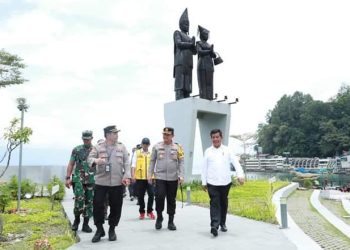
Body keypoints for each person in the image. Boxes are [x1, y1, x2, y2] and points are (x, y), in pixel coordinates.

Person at [88, 125, 130, 243]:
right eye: (114, 133)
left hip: (117, 182)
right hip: (101, 182)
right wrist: (96, 161)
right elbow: (89, 159)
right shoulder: (98, 147)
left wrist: (127, 176)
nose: (117, 135)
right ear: (107, 135)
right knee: (97, 206)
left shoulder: (122, 147)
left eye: (117, 133)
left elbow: (127, 163)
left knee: (116, 206)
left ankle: (112, 229)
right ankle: (99, 229)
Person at [201, 128, 245, 237]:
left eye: (217, 137)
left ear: (221, 137)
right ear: (211, 138)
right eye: (213, 137)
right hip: (212, 183)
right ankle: (214, 226)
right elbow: (204, 168)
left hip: (225, 182)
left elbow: (236, 163)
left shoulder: (227, 150)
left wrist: (240, 175)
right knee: (214, 203)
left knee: (223, 203)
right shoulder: (208, 151)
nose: (215, 139)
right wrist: (203, 182)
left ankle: (223, 223)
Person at [148, 127, 184, 231]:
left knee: (171, 200)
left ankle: (171, 221)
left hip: (173, 178)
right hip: (160, 177)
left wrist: (181, 175)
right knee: (159, 197)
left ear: (172, 136)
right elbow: (152, 161)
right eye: (164, 134)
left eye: (168, 135)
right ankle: (159, 217)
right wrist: (149, 175)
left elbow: (181, 162)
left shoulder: (178, 147)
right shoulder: (157, 146)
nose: (165, 136)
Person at [65, 130, 95, 233]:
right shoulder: (76, 150)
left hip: (91, 180)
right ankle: (76, 220)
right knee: (79, 200)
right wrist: (68, 178)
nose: (86, 141)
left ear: (92, 138)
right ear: (82, 139)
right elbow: (71, 163)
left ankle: (86, 224)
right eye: (84, 139)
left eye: (88, 139)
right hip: (78, 179)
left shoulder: (95, 150)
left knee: (90, 202)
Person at [173, 8, 197, 100]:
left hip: (189, 63)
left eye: (188, 24)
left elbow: (194, 52)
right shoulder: (177, 33)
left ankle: (187, 95)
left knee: (188, 81)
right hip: (180, 61)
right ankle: (179, 96)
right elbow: (179, 44)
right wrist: (190, 44)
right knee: (180, 80)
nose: (187, 26)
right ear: (180, 25)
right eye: (185, 24)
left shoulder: (189, 37)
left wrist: (194, 45)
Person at [132, 138, 155, 220]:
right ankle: (142, 212)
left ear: (149, 144)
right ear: (141, 144)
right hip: (140, 178)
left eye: (147, 144)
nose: (145, 145)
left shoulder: (151, 153)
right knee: (140, 196)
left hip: (149, 178)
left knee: (151, 194)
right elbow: (133, 165)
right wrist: (133, 175)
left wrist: (153, 176)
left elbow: (154, 165)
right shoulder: (137, 152)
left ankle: (149, 211)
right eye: (144, 144)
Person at [196, 25, 218, 100]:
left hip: (209, 66)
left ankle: (210, 97)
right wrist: (209, 51)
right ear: (201, 35)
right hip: (202, 64)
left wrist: (212, 52)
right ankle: (203, 97)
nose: (206, 36)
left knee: (210, 83)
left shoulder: (209, 45)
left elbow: (214, 55)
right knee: (203, 83)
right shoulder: (198, 43)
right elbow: (199, 51)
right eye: (205, 34)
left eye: (207, 35)